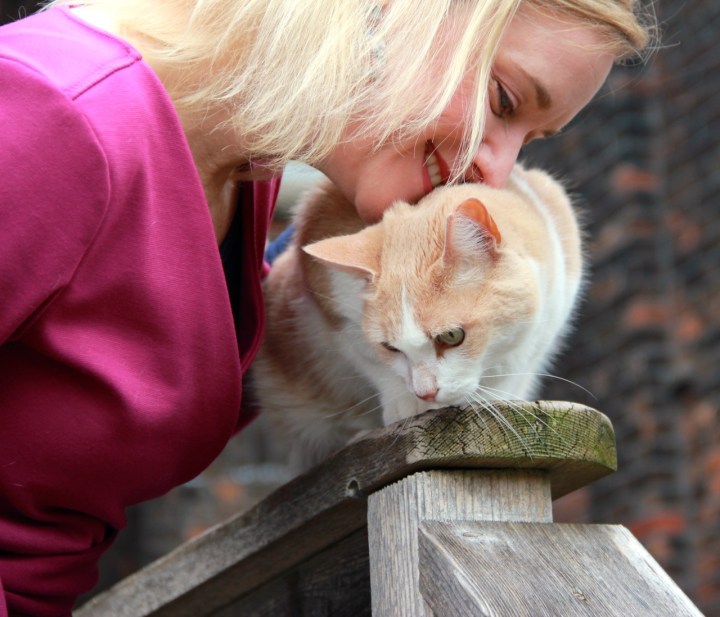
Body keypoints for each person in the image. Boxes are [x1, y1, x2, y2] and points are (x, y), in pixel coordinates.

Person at [0, 0, 652, 614]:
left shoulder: (245, 174)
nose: (500, 170)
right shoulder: (51, 116)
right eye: (502, 100)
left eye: (529, 139)